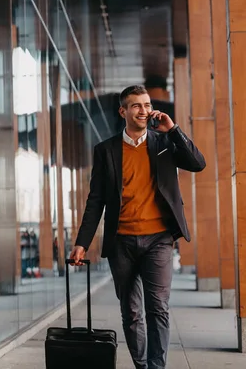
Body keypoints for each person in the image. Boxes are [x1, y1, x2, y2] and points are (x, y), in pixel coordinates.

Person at [69, 86, 206, 369]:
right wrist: (81, 242)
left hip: (158, 240)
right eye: (136, 106)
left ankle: (156, 367)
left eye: (146, 104)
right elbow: (96, 200)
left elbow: (197, 163)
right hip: (121, 242)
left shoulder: (164, 143)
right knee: (131, 312)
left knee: (158, 309)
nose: (144, 110)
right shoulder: (105, 150)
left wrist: (173, 130)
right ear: (123, 111)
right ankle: (142, 365)